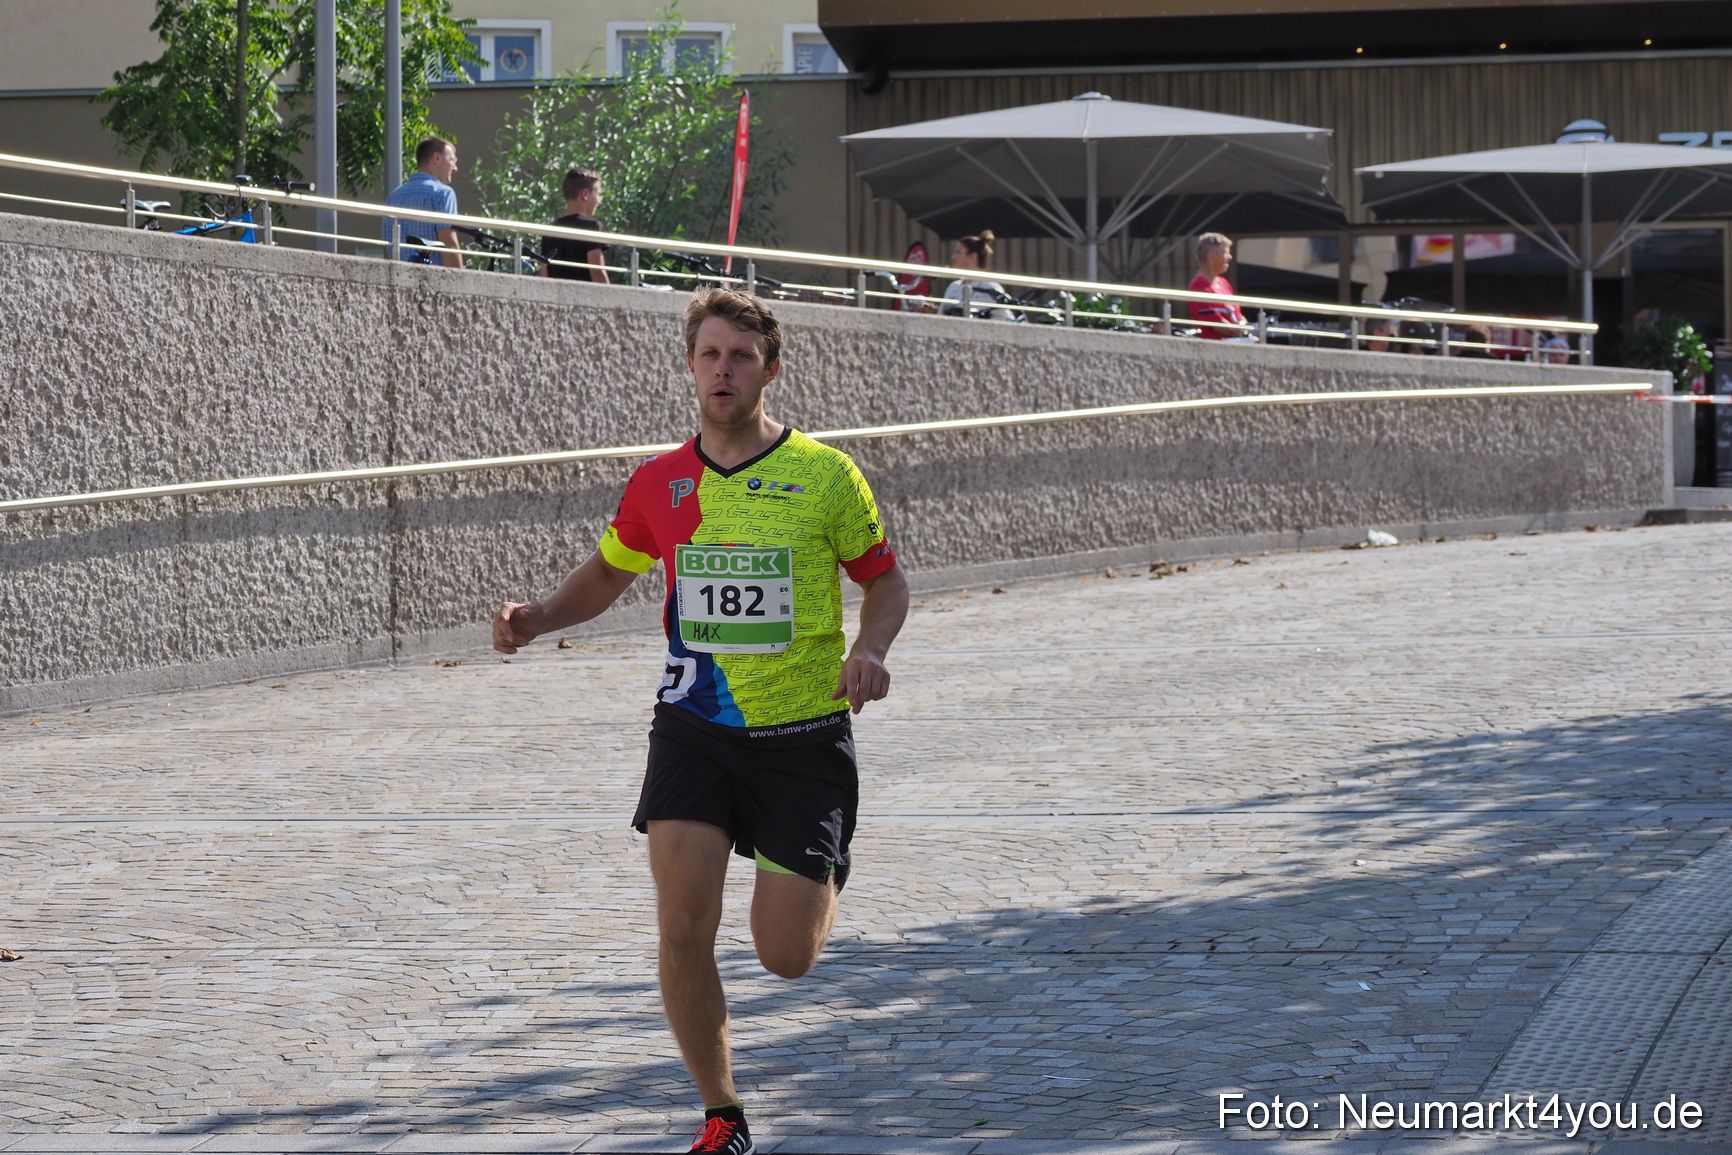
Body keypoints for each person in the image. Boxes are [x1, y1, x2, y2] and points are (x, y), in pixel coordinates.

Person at [490, 287, 910, 1155]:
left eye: (741, 356)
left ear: (771, 369)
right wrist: (536, 615)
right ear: (690, 366)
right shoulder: (660, 481)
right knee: (682, 926)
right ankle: (723, 1113)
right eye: (711, 355)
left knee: (785, 955)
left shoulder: (825, 476)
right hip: (694, 727)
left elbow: (886, 579)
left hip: (803, 735)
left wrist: (869, 646)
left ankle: (822, 860)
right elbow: (609, 574)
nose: (724, 370)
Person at [383, 137, 462, 268]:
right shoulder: (443, 193)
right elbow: (449, 244)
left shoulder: (394, 196)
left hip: (400, 279)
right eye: (452, 160)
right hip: (436, 279)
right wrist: (461, 281)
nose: (455, 168)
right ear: (437, 158)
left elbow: (390, 249)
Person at [542, 168, 610, 283]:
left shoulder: (550, 230)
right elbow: (598, 274)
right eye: (598, 194)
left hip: (556, 298)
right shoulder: (592, 226)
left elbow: (544, 274)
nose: (599, 201)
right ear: (584, 194)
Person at [1187, 232, 1249, 340]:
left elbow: (1238, 314)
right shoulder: (1198, 286)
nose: (1230, 257)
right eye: (1226, 253)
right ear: (1212, 257)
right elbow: (1218, 324)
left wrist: (1244, 326)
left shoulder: (1223, 282)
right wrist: (1241, 331)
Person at [940, 231, 1013, 320]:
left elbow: (1004, 318)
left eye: (958, 253)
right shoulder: (953, 287)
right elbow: (941, 315)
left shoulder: (991, 288)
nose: (953, 257)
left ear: (973, 256)